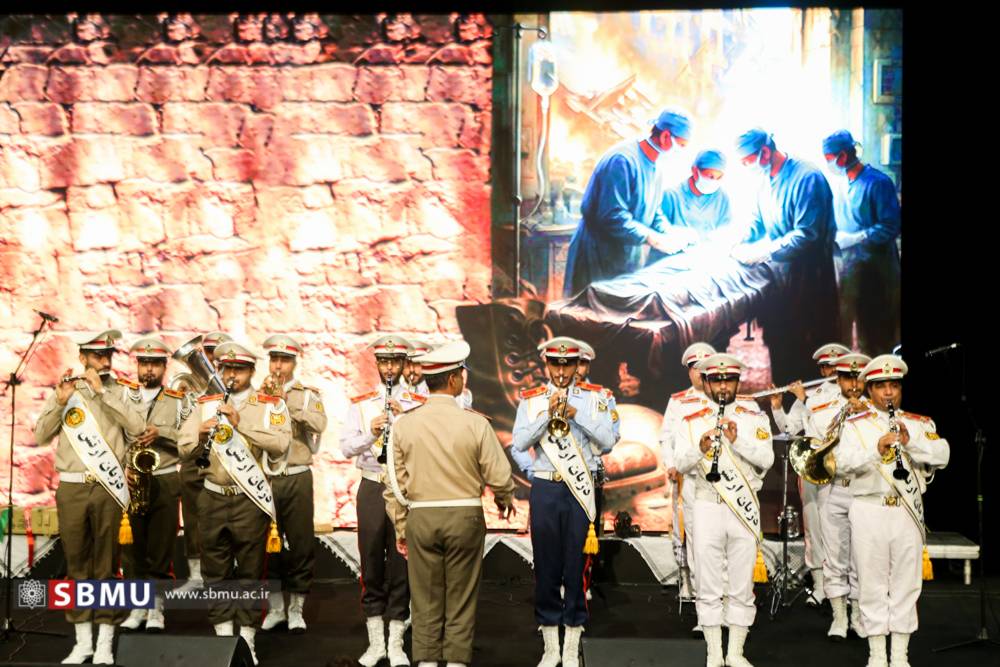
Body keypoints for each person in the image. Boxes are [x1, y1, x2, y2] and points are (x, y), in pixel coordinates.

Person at [383, 340, 516, 667]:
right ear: (455, 379)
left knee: (424, 599)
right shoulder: (475, 423)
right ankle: (456, 661)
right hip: (464, 516)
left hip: (421, 518)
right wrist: (504, 499)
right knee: (461, 597)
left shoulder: (404, 424)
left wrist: (401, 527)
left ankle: (427, 662)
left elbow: (394, 484)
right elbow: (500, 475)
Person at [33, 330, 146, 665]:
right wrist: (59, 403)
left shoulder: (121, 390)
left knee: (107, 567)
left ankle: (105, 643)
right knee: (77, 566)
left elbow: (138, 428)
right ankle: (83, 642)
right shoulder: (66, 390)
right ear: (82, 357)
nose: (104, 360)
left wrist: (103, 394)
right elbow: (40, 436)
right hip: (72, 488)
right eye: (97, 355)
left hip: (108, 487)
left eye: (108, 354)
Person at [177, 341, 291, 665]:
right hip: (212, 496)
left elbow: (281, 443)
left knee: (251, 573)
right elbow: (182, 446)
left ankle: (247, 640)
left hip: (248, 499)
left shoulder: (268, 404)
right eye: (226, 368)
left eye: (239, 369)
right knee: (215, 572)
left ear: (251, 371)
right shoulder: (206, 403)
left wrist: (242, 423)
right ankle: (224, 639)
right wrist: (200, 434)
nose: (231, 375)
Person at [835, 355, 949, 667]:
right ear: (869, 389)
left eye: (894, 385)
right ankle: (876, 655)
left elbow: (943, 454)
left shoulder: (918, 423)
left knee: (906, 584)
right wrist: (876, 450)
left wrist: (911, 444)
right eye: (881, 386)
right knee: (871, 583)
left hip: (905, 511)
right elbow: (841, 463)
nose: (888, 392)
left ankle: (899, 656)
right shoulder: (854, 426)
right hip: (868, 508)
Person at [511, 337, 617, 667]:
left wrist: (576, 415)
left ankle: (571, 640)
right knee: (546, 566)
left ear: (576, 365)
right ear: (546, 365)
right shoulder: (532, 400)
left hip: (579, 489)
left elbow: (609, 441)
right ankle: (550, 645)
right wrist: (546, 416)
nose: (561, 371)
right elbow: (519, 442)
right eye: (555, 365)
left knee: (576, 565)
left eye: (567, 364)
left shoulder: (595, 398)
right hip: (546, 487)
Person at [674, 353, 774, 667]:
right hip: (706, 505)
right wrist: (701, 448)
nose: (722, 386)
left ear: (737, 382)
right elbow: (679, 463)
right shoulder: (690, 419)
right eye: (716, 380)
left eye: (728, 380)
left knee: (742, 584)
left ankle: (736, 652)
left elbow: (767, 459)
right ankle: (714, 652)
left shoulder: (753, 416)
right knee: (708, 583)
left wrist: (737, 440)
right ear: (705, 382)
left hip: (742, 508)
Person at [339, 334, 424, 667]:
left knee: (402, 563)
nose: (389, 368)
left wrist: (404, 421)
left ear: (404, 364)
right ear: (377, 364)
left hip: (405, 488)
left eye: (395, 362)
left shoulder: (418, 402)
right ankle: (376, 642)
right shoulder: (362, 404)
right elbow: (346, 448)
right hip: (373, 486)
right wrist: (371, 433)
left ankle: (396, 641)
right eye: (384, 362)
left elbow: (426, 447)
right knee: (371, 560)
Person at [730, 128, 840, 383]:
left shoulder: (807, 177)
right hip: (779, 283)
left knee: (810, 354)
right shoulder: (764, 182)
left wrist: (766, 251)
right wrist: (738, 237)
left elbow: (808, 234)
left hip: (810, 282)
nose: (745, 167)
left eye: (747, 161)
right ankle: (786, 402)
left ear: (765, 152)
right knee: (781, 347)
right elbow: (758, 223)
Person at [564, 108, 697, 296]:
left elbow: (653, 209)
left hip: (626, 257)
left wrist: (669, 233)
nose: (682, 152)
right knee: (590, 309)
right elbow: (612, 217)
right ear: (666, 136)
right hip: (597, 255)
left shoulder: (656, 166)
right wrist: (651, 238)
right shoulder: (623, 161)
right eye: (682, 145)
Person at [120, 337, 193, 633]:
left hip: (164, 478)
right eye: (144, 363)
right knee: (132, 550)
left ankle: (156, 608)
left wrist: (161, 433)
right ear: (138, 365)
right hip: (130, 479)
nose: (148, 369)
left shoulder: (179, 400)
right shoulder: (124, 396)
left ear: (164, 367)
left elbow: (190, 441)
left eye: (155, 364)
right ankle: (138, 606)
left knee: (160, 548)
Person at [259, 334, 328, 634]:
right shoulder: (257, 394)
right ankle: (275, 608)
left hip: (297, 474)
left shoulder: (307, 395)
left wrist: (288, 405)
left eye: (284, 360)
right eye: (274, 359)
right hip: (266, 477)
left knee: (300, 542)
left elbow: (320, 424)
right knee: (266, 545)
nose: (278, 366)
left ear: (294, 363)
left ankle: (296, 608)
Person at [805, 352, 872, 639]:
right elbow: (813, 452)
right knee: (834, 556)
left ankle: (857, 615)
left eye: (858, 379)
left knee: (861, 557)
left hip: (864, 489)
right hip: (832, 488)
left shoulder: (875, 413)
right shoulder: (822, 412)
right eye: (847, 379)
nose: (854, 385)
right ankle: (839, 617)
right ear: (838, 380)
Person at [822, 130, 902, 354]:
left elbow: (891, 225)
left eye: (829, 159)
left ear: (843, 156)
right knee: (850, 332)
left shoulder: (878, 183)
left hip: (877, 272)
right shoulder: (840, 184)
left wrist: (858, 238)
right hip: (850, 269)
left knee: (878, 336)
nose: (828, 164)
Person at [657, 342, 716, 618]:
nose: (700, 373)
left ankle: (715, 593)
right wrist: (670, 465)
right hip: (688, 478)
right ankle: (689, 582)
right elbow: (666, 437)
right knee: (687, 533)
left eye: (705, 368)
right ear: (689, 372)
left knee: (713, 537)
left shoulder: (724, 399)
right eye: (695, 368)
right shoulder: (678, 401)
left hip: (717, 481)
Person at [179, 330, 233, 586]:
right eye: (209, 353)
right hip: (195, 456)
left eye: (219, 355)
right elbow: (177, 422)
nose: (213, 360)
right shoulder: (187, 383)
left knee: (230, 517)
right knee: (192, 518)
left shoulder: (237, 384)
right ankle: (195, 575)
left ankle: (227, 571)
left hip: (227, 458)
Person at [650, 149, 733, 265]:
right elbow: (656, 231)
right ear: (695, 171)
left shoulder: (722, 198)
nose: (714, 181)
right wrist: (676, 235)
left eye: (719, 178)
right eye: (710, 176)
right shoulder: (671, 195)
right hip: (668, 261)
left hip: (703, 262)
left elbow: (725, 228)